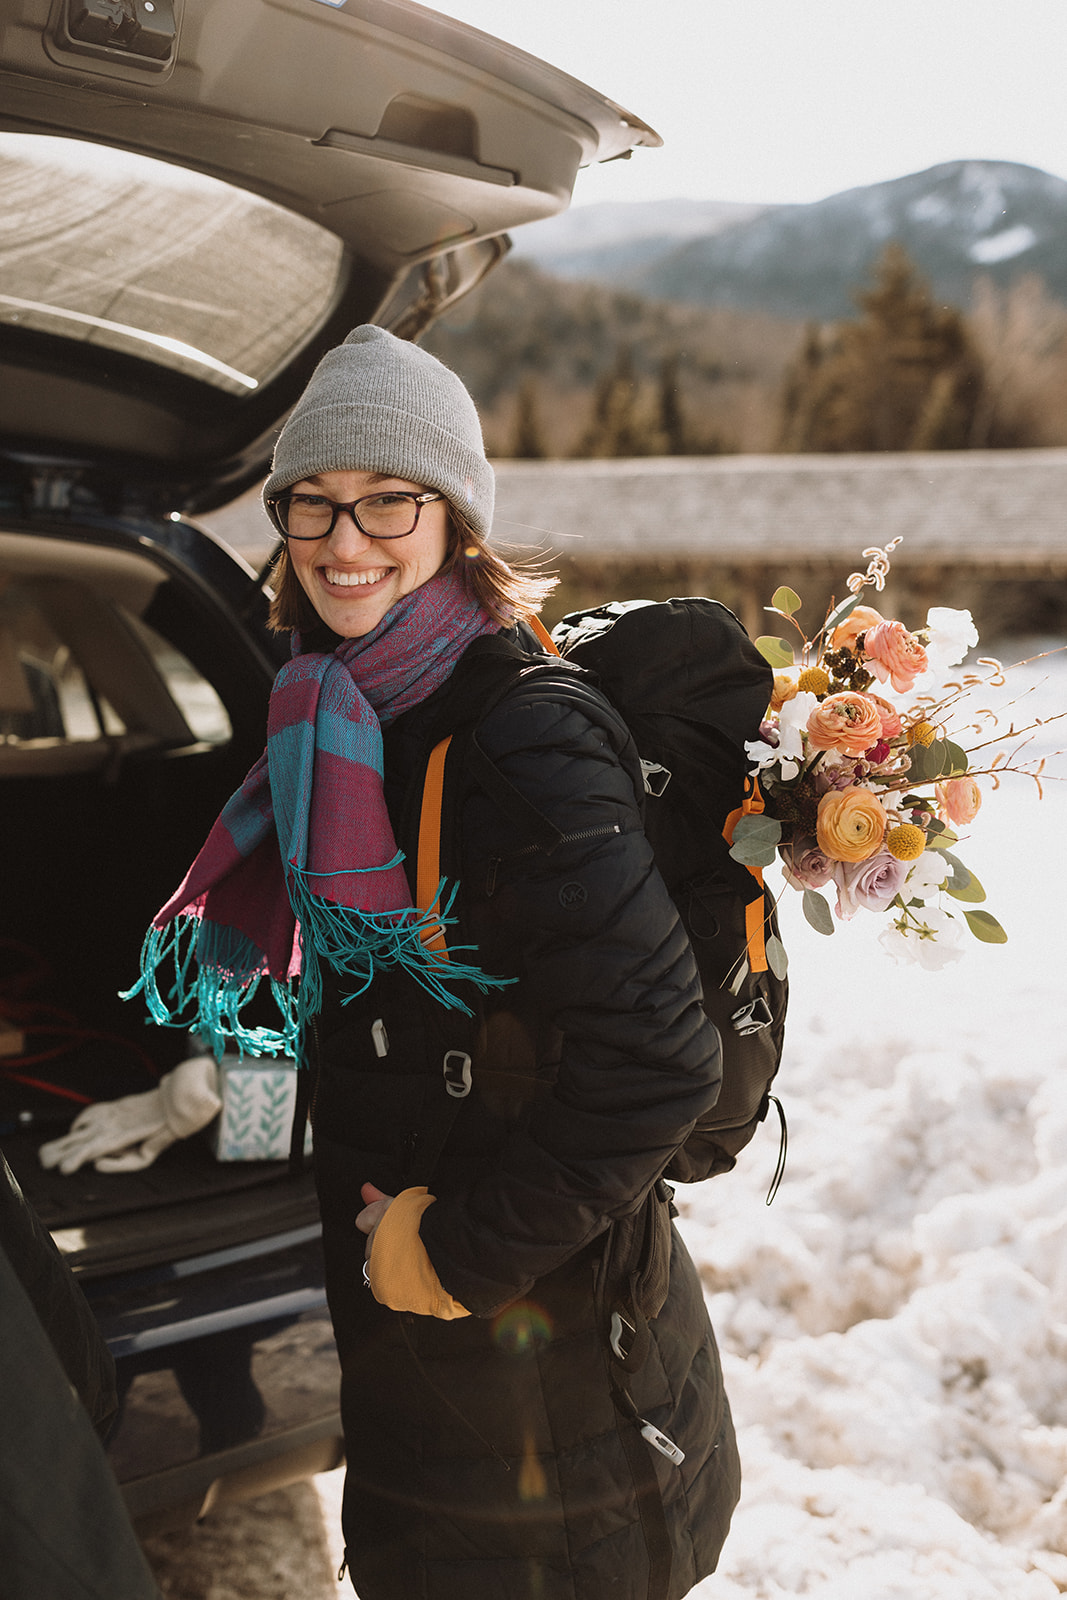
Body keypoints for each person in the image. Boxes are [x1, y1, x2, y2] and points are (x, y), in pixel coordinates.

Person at [133, 325, 741, 1599]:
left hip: (555, 1386)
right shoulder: (345, 711)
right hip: (442, 1385)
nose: (344, 541)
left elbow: (656, 1066)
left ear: (454, 517)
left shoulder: (523, 740)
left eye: (387, 502)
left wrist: (453, 1255)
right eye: (312, 503)